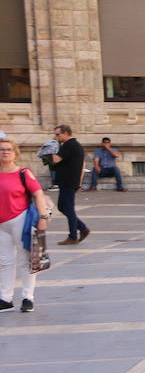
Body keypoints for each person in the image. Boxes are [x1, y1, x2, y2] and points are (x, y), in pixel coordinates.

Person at [0, 138, 52, 313]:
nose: (5, 152)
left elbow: (38, 194)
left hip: (20, 220)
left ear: (15, 153)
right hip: (1, 224)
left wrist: (43, 217)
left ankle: (27, 297)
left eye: (8, 149)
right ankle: (5, 299)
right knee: (4, 262)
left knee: (26, 260)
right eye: (1, 149)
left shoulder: (23, 173)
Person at [50, 125, 89, 246]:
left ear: (66, 133)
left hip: (68, 181)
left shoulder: (69, 145)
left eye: (58, 134)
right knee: (63, 207)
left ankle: (73, 236)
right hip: (69, 181)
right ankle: (82, 228)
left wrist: (47, 152)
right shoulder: (74, 145)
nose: (56, 137)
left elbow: (56, 160)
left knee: (68, 208)